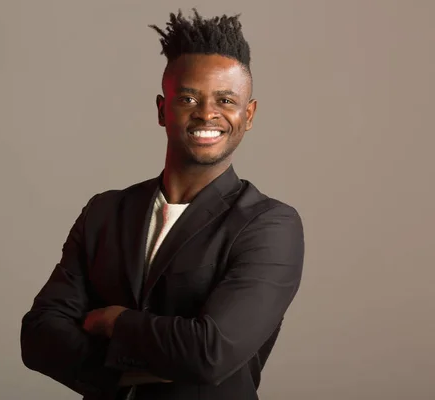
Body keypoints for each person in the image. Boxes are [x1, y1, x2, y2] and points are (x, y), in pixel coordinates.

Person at [20, 9, 305, 400]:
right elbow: (38, 333)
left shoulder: (269, 225)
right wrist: (133, 373)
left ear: (248, 115)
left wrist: (118, 323)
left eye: (226, 99)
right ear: (161, 109)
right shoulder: (105, 212)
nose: (207, 113)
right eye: (189, 97)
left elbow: (210, 353)